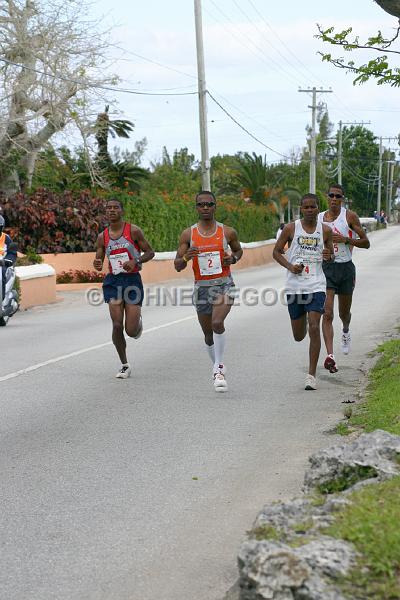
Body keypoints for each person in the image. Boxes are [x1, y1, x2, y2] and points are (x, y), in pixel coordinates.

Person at [174, 191, 243, 392]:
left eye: (209, 204)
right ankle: (217, 366)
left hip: (224, 284)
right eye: (201, 204)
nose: (205, 207)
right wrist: (186, 257)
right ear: (196, 207)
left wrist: (234, 259)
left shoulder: (227, 232)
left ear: (215, 206)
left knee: (217, 323)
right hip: (201, 288)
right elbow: (177, 265)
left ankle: (219, 369)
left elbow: (238, 250)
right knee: (208, 335)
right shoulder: (188, 234)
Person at [273, 193, 334, 390]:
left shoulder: (325, 230)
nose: (309, 210)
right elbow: (276, 251)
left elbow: (330, 254)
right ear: (301, 209)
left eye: (313, 207)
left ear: (318, 208)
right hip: (295, 286)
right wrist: (290, 266)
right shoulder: (292, 228)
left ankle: (311, 375)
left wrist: (328, 255)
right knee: (299, 335)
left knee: (314, 326)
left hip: (316, 285)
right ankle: (305, 322)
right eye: (306, 207)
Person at [93, 199, 155, 379]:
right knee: (117, 324)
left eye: (115, 207)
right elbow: (98, 259)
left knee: (131, 330)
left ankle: (137, 324)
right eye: (108, 208)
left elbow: (150, 252)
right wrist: (97, 262)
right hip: (113, 282)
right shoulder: (102, 236)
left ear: (122, 210)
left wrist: (135, 261)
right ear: (105, 212)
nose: (112, 210)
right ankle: (124, 364)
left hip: (132, 281)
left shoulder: (133, 231)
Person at [318, 184, 370, 373]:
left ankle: (346, 330)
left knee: (343, 313)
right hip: (327, 269)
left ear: (342, 199)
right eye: (331, 195)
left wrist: (346, 240)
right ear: (327, 196)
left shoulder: (349, 216)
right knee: (328, 312)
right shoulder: (318, 219)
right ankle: (330, 355)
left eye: (338, 196)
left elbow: (366, 243)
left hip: (346, 268)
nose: (334, 199)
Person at [0, 215, 17, 301]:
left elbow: (12, 253)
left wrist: (7, 261)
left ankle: (1, 299)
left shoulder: (6, 238)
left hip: (3, 264)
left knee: (2, 273)